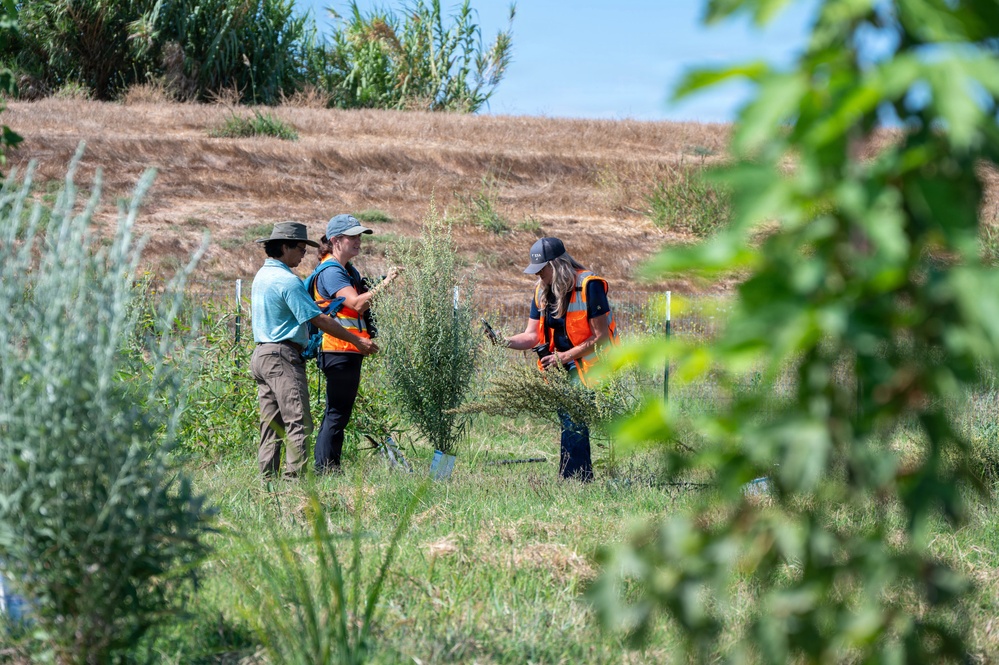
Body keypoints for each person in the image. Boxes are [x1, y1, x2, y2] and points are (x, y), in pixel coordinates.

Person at [250, 221, 378, 482]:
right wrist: (356, 341)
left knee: (271, 424)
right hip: (282, 357)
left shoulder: (262, 276)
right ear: (284, 247)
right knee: (298, 420)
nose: (303, 254)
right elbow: (319, 319)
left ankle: (267, 482)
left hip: (261, 354)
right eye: (299, 248)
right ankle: (295, 480)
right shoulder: (287, 281)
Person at [500, 237, 617, 481]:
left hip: (592, 364)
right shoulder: (542, 290)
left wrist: (564, 356)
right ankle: (577, 477)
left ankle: (574, 478)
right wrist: (504, 341)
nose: (538, 276)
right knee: (569, 418)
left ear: (555, 265)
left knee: (573, 416)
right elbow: (531, 336)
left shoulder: (589, 285)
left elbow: (602, 338)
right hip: (560, 366)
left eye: (541, 270)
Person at [308, 214, 400, 475]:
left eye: (360, 235)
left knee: (339, 413)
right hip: (338, 349)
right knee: (336, 414)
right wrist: (386, 283)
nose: (359, 240)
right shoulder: (332, 271)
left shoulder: (346, 270)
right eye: (353, 236)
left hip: (347, 349)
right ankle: (325, 469)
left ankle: (329, 467)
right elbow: (358, 304)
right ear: (336, 241)